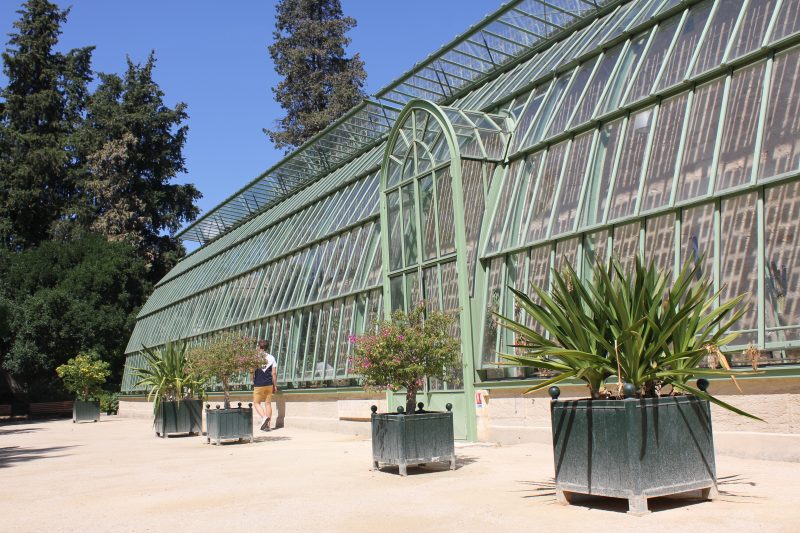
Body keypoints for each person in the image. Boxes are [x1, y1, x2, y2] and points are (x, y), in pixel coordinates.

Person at [253, 340, 277, 431]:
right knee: (268, 404)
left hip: (258, 384)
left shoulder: (255, 358)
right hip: (269, 384)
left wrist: (252, 380)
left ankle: (263, 418)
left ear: (259, 347)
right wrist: (275, 385)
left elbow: (252, 371)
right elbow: (274, 373)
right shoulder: (272, 358)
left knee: (256, 403)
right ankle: (268, 426)